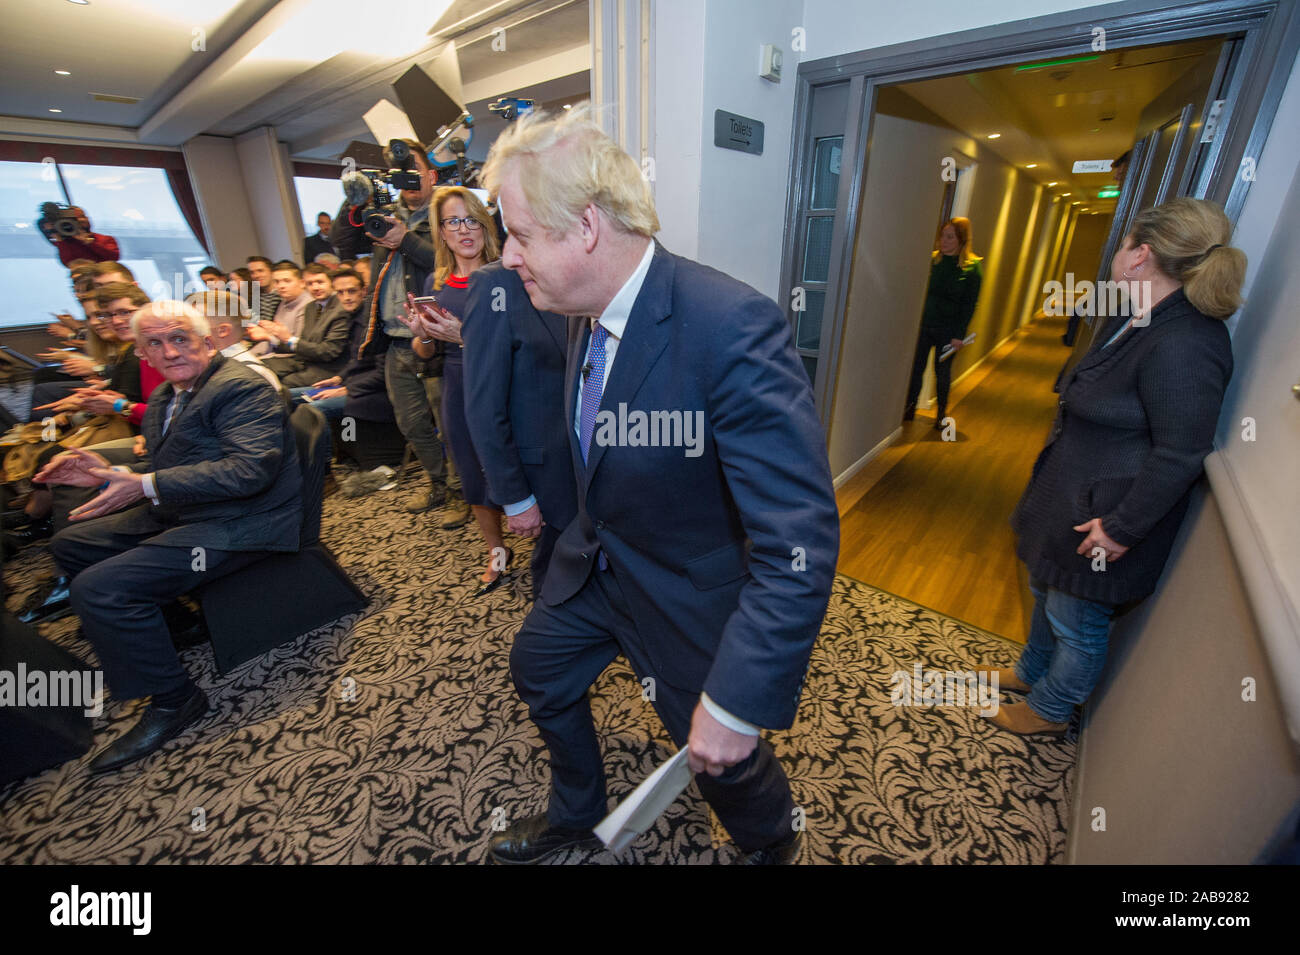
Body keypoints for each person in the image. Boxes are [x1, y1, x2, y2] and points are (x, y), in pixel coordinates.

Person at [479, 107, 840, 865]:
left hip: (685, 591)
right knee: (538, 669)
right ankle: (577, 812)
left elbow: (798, 540)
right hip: (598, 566)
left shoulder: (732, 327)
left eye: (519, 234)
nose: (507, 255)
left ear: (585, 227)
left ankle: (771, 843)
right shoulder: (580, 304)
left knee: (717, 751)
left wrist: (740, 699)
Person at [982, 198, 1244, 736]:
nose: (1118, 253)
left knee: (1075, 620)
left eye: (1123, 243)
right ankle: (1031, 673)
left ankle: (1051, 710)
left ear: (1140, 253)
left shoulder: (1186, 343)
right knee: (1045, 590)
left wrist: (1120, 529)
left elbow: (1181, 452)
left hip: (1108, 513)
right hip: (1071, 496)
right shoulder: (1136, 315)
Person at [35, 300, 302, 773]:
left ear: (206, 339)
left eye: (180, 338)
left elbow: (248, 473)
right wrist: (108, 472)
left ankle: (175, 699)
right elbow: (167, 466)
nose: (170, 351)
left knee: (98, 588)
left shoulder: (239, 387)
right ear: (142, 353)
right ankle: (175, 627)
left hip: (243, 520)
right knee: (70, 544)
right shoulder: (166, 396)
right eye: (155, 343)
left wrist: (144, 485)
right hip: (192, 508)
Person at [330, 140, 456, 514]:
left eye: (414, 170)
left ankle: (461, 491)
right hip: (394, 341)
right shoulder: (382, 215)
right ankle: (438, 484)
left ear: (432, 176)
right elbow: (343, 242)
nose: (408, 179)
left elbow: (449, 268)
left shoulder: (447, 217)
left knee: (449, 425)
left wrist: (406, 240)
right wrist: (356, 199)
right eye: (401, 173)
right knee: (413, 424)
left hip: (438, 337)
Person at [403, 187, 503, 570]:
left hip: (502, 383)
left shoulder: (508, 275)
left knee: (511, 466)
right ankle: (497, 553)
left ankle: (546, 552)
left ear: (485, 225)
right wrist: (424, 333)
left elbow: (523, 344)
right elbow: (427, 352)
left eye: (472, 219)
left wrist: (462, 336)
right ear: (441, 232)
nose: (464, 229)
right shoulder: (436, 284)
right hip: (457, 384)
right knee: (470, 470)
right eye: (453, 221)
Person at [462, 262, 575, 599]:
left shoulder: (585, 277)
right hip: (551, 476)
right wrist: (515, 498)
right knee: (557, 589)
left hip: (598, 468)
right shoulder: (496, 284)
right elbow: (485, 408)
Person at [903, 217, 983, 428]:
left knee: (942, 373)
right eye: (942, 236)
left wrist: (959, 334)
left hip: (948, 331)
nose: (943, 241)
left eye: (950, 237)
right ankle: (909, 410)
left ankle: (941, 416)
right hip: (923, 326)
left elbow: (969, 305)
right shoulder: (932, 261)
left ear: (961, 239)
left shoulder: (972, 269)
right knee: (915, 370)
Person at [49, 206, 120, 267]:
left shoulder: (105, 239)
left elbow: (114, 258)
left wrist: (89, 242)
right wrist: (61, 242)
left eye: (82, 217)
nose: (80, 221)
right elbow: (68, 263)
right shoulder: (67, 244)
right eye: (74, 219)